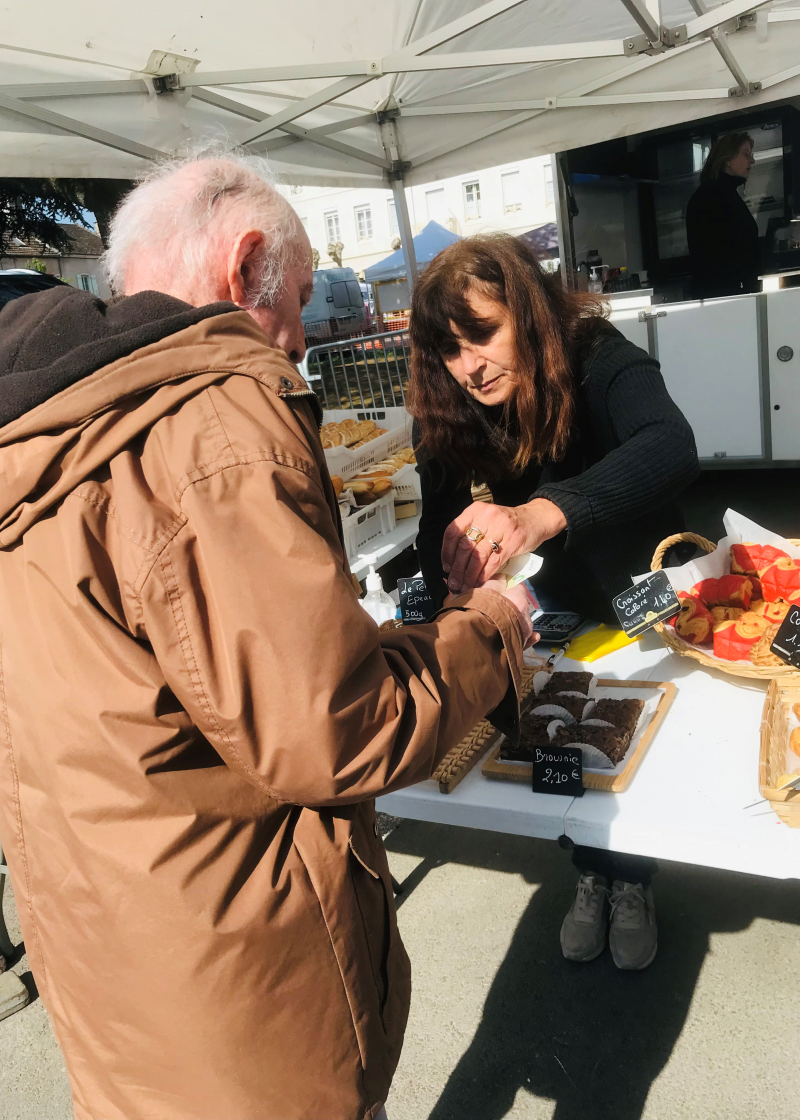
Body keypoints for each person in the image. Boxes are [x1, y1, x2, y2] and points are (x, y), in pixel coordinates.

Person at [0, 154, 533, 1120]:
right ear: (245, 268)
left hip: (113, 980)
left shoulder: (37, 432)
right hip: (250, 1008)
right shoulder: (206, 421)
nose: (293, 343)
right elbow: (335, 728)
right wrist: (492, 631)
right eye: (292, 306)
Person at [409, 234, 700, 970]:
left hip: (641, 584)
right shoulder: (452, 405)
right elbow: (435, 520)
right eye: (450, 349)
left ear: (529, 312)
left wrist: (542, 512)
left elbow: (670, 443)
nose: (468, 365)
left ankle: (631, 876)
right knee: (565, 734)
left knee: (643, 733)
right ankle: (591, 869)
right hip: (552, 603)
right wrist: (449, 570)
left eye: (483, 334)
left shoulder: (595, 352)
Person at [686, 131, 759, 300]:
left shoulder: (720, 193)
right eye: (746, 154)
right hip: (726, 298)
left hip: (728, 296)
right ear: (727, 159)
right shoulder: (713, 196)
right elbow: (714, 254)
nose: (752, 160)